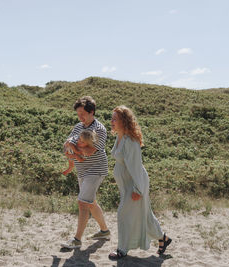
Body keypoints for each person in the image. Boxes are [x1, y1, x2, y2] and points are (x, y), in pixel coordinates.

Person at [108, 105, 172, 260]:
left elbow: (136, 167)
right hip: (127, 185)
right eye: (112, 118)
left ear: (123, 121)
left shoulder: (130, 141)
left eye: (115, 118)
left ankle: (122, 249)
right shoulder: (120, 136)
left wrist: (138, 189)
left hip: (135, 185)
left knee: (123, 214)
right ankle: (163, 238)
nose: (111, 121)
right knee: (145, 214)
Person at [61, 96, 110, 249]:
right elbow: (67, 143)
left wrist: (73, 150)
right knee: (90, 202)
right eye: (78, 113)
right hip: (82, 170)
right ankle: (104, 231)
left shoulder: (99, 130)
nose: (80, 117)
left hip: (96, 169)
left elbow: (89, 151)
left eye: (82, 113)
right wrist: (69, 151)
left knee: (83, 203)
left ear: (92, 112)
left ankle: (77, 240)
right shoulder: (78, 126)